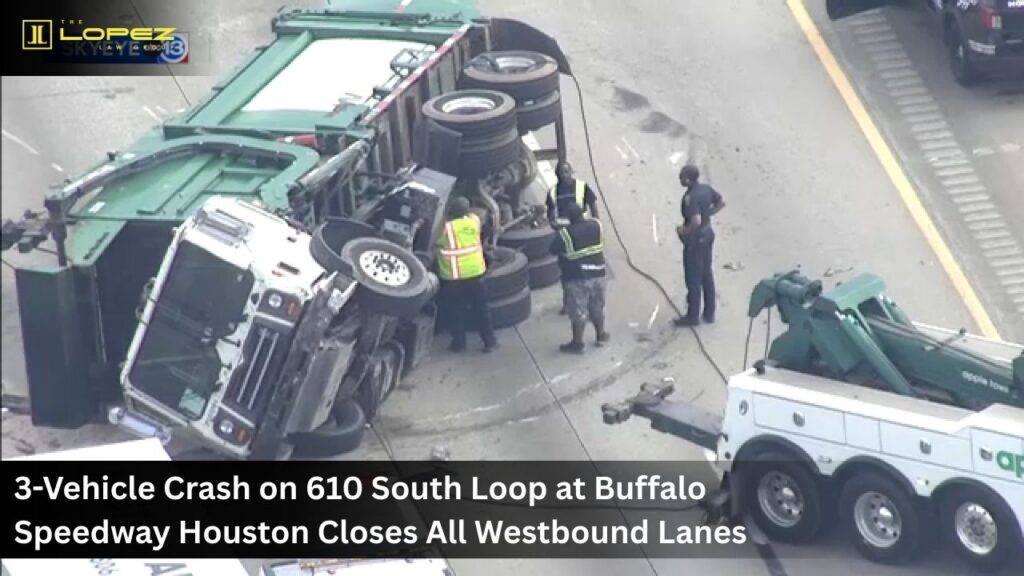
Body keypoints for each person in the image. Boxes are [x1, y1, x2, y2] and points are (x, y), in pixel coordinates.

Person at [436, 197, 498, 353]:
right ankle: (489, 342)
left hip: (454, 277)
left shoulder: (446, 228)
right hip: (476, 273)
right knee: (482, 309)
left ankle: (459, 344)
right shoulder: (474, 221)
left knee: (455, 311)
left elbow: (436, 242)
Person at [550, 203, 609, 354]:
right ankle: (601, 335)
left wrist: (560, 230)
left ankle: (577, 343)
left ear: (568, 218)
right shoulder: (596, 225)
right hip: (599, 274)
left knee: (579, 311)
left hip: (577, 277)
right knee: (597, 306)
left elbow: (553, 249)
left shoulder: (566, 234)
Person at [674, 164, 725, 327]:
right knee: (706, 274)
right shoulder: (706, 189)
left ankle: (692, 316)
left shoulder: (691, 197)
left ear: (688, 179)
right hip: (708, 234)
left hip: (696, 241)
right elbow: (721, 202)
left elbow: (695, 220)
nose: (680, 179)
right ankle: (709, 312)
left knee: (693, 278)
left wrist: (684, 231)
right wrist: (708, 214)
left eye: (682, 177)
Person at [546, 162, 600, 229]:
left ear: (571, 172)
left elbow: (592, 203)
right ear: (557, 174)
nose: (564, 175)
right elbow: (551, 215)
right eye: (561, 173)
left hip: (582, 225)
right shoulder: (552, 192)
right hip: (564, 229)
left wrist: (596, 224)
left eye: (566, 172)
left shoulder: (582, 186)